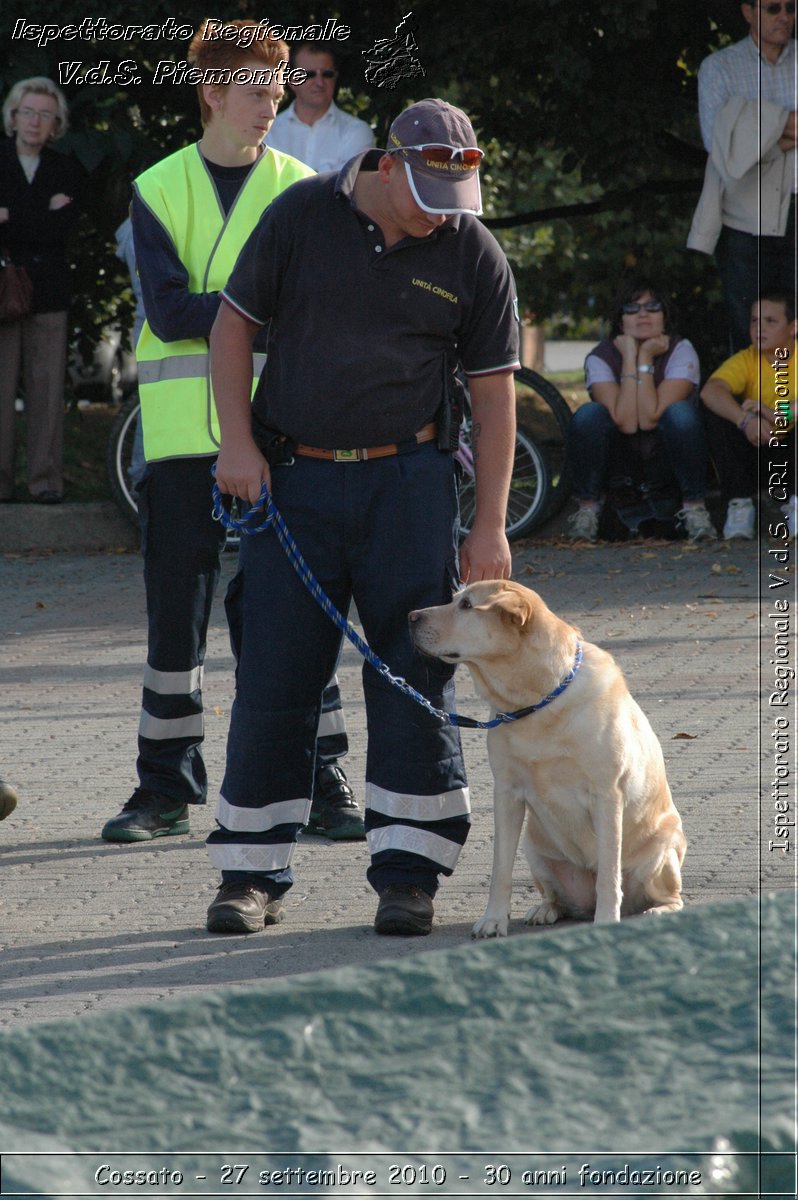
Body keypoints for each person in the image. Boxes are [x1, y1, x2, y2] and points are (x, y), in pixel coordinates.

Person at [206, 98, 520, 937]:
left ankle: (409, 873)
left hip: (409, 486)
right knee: (275, 674)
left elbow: (494, 397)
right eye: (426, 198)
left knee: (416, 676)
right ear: (387, 165)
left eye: (454, 204)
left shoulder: (471, 250)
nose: (437, 220)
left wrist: (488, 525)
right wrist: (236, 445)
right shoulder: (302, 215)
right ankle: (250, 872)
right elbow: (231, 328)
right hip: (291, 483)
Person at [100, 18, 363, 846]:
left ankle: (321, 781)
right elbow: (168, 311)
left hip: (281, 432)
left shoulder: (301, 184)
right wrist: (261, 307)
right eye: (257, 91)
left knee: (290, 616)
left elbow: (305, 308)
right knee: (174, 624)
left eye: (279, 91)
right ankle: (162, 790)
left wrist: (248, 308)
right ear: (212, 93)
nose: (272, 105)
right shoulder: (157, 185)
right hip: (181, 442)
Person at [566, 278, 715, 543]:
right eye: (632, 308)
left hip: (666, 458)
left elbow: (648, 419)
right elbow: (626, 421)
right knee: (588, 415)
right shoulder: (601, 356)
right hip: (619, 461)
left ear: (665, 316)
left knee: (681, 414)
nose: (643, 314)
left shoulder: (681, 350)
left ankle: (695, 509)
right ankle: (587, 510)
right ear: (620, 320)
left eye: (652, 307)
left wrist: (645, 357)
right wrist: (630, 360)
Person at [688, 1, 797, 352]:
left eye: (792, 8)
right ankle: (752, 408)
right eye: (774, 8)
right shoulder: (720, 68)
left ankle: (786, 407)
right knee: (749, 325)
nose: (785, 16)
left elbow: (738, 145)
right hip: (745, 216)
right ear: (748, 12)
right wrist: (784, 129)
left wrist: (754, 129)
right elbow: (719, 145)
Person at [0, 77, 80, 504]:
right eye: (28, 112)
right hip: (2, 293)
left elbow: (60, 231)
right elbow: (45, 225)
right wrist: (39, 214)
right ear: (13, 117)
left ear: (56, 123)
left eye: (45, 115)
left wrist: (10, 215)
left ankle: (46, 483)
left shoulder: (65, 168)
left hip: (48, 293)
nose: (35, 121)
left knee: (47, 392)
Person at [701, 290, 797, 539]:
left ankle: (795, 504)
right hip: (757, 448)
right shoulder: (746, 359)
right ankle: (740, 503)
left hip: (790, 452)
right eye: (755, 320)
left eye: (770, 321)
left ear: (793, 327)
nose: (759, 328)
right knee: (718, 410)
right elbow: (711, 391)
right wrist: (744, 420)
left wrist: (769, 412)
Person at [265, 42, 374, 172]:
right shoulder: (268, 133)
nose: (319, 82)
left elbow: (349, 188)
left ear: (335, 77)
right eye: (310, 74)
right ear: (291, 80)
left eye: (327, 74)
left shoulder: (356, 132)